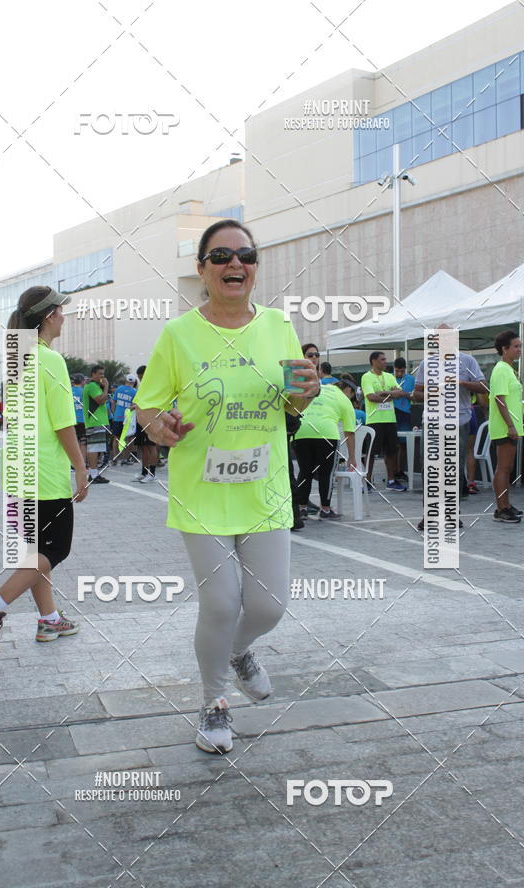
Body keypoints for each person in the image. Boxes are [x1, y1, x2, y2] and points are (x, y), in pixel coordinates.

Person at [135, 219, 319, 754]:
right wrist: (159, 425)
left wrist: (306, 392)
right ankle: (214, 702)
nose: (235, 263)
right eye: (220, 256)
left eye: (246, 255)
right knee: (219, 603)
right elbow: (147, 406)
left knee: (269, 607)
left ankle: (237, 651)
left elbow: (292, 403)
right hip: (202, 492)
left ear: (255, 267)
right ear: (202, 269)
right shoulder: (179, 335)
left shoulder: (279, 326)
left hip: (265, 489)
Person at [0, 285, 87, 650]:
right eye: (60, 310)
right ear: (49, 316)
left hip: (18, 471)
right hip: (45, 473)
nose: (64, 316)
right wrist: (81, 468)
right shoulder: (50, 360)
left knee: (35, 550)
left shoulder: (17, 359)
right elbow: (63, 424)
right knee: (55, 549)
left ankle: (49, 620)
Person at [413, 324, 488, 530]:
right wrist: (432, 392)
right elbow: (416, 394)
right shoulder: (427, 363)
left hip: (458, 421)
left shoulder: (467, 361)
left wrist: (461, 383)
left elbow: (483, 386)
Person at [293, 344, 357, 520]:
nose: (314, 358)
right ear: (348, 390)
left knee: (305, 471)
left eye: (316, 355)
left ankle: (302, 508)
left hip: (301, 432)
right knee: (326, 473)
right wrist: (352, 457)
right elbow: (349, 431)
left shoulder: (299, 385)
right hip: (326, 434)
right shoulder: (339, 395)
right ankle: (326, 509)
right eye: (310, 355)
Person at [488, 330, 524, 523]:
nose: (519, 350)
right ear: (505, 349)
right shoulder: (501, 369)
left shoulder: (508, 369)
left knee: (506, 468)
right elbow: (500, 399)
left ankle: (506, 505)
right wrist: (510, 425)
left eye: (520, 346)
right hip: (504, 427)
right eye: (516, 346)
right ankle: (501, 508)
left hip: (511, 426)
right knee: (503, 468)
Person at [360, 352, 409, 492]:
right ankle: (367, 481)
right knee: (371, 453)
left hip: (390, 419)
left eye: (385, 359)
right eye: (382, 359)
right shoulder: (366, 377)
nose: (385, 361)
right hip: (374, 420)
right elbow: (371, 397)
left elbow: (400, 393)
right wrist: (390, 396)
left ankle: (391, 481)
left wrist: (383, 394)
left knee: (391, 451)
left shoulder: (389, 376)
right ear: (374, 361)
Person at [83, 364, 110, 484]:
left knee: (96, 448)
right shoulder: (92, 386)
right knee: (94, 448)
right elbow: (100, 400)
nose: (102, 376)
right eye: (100, 374)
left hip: (98, 421)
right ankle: (93, 475)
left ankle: (94, 474)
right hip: (95, 421)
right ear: (93, 374)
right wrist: (106, 387)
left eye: (103, 374)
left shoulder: (94, 385)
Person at [134, 365, 160, 482]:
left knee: (151, 446)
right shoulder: (142, 387)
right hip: (141, 419)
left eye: (142, 377)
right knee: (143, 447)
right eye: (139, 378)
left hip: (151, 419)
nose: (140, 380)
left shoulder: (154, 386)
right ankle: (144, 472)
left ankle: (152, 474)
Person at [392, 357, 415, 482]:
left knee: (403, 444)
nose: (399, 374)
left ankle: (400, 470)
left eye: (401, 371)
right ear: (393, 369)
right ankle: (392, 472)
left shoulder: (411, 379)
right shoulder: (389, 378)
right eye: (397, 371)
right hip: (391, 412)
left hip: (405, 412)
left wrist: (403, 393)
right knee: (392, 444)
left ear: (405, 369)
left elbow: (415, 396)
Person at [111, 375, 137, 464]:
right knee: (127, 438)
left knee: (116, 438)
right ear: (134, 382)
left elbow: (113, 402)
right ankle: (125, 459)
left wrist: (114, 413)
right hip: (127, 418)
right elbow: (134, 406)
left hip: (117, 417)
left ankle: (115, 459)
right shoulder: (134, 392)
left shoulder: (119, 389)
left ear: (125, 381)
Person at [71, 374, 87, 459]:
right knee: (83, 442)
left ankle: (72, 462)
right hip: (82, 420)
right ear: (82, 381)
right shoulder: (84, 391)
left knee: (73, 442)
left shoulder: (68, 390)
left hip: (71, 420)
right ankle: (82, 461)